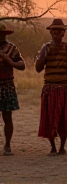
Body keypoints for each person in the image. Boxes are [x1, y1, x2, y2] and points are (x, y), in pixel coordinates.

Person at [35, 18, 67, 156]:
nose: (56, 34)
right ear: (50, 33)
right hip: (49, 87)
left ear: (63, 33)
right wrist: (42, 57)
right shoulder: (45, 48)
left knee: (64, 117)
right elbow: (38, 69)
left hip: (64, 87)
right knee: (49, 117)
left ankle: (62, 147)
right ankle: (53, 147)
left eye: (59, 31)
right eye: (53, 31)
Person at [0, 22, 26, 155]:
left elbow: (22, 65)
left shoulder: (11, 48)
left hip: (6, 85)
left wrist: (10, 62)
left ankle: (7, 146)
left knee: (7, 116)